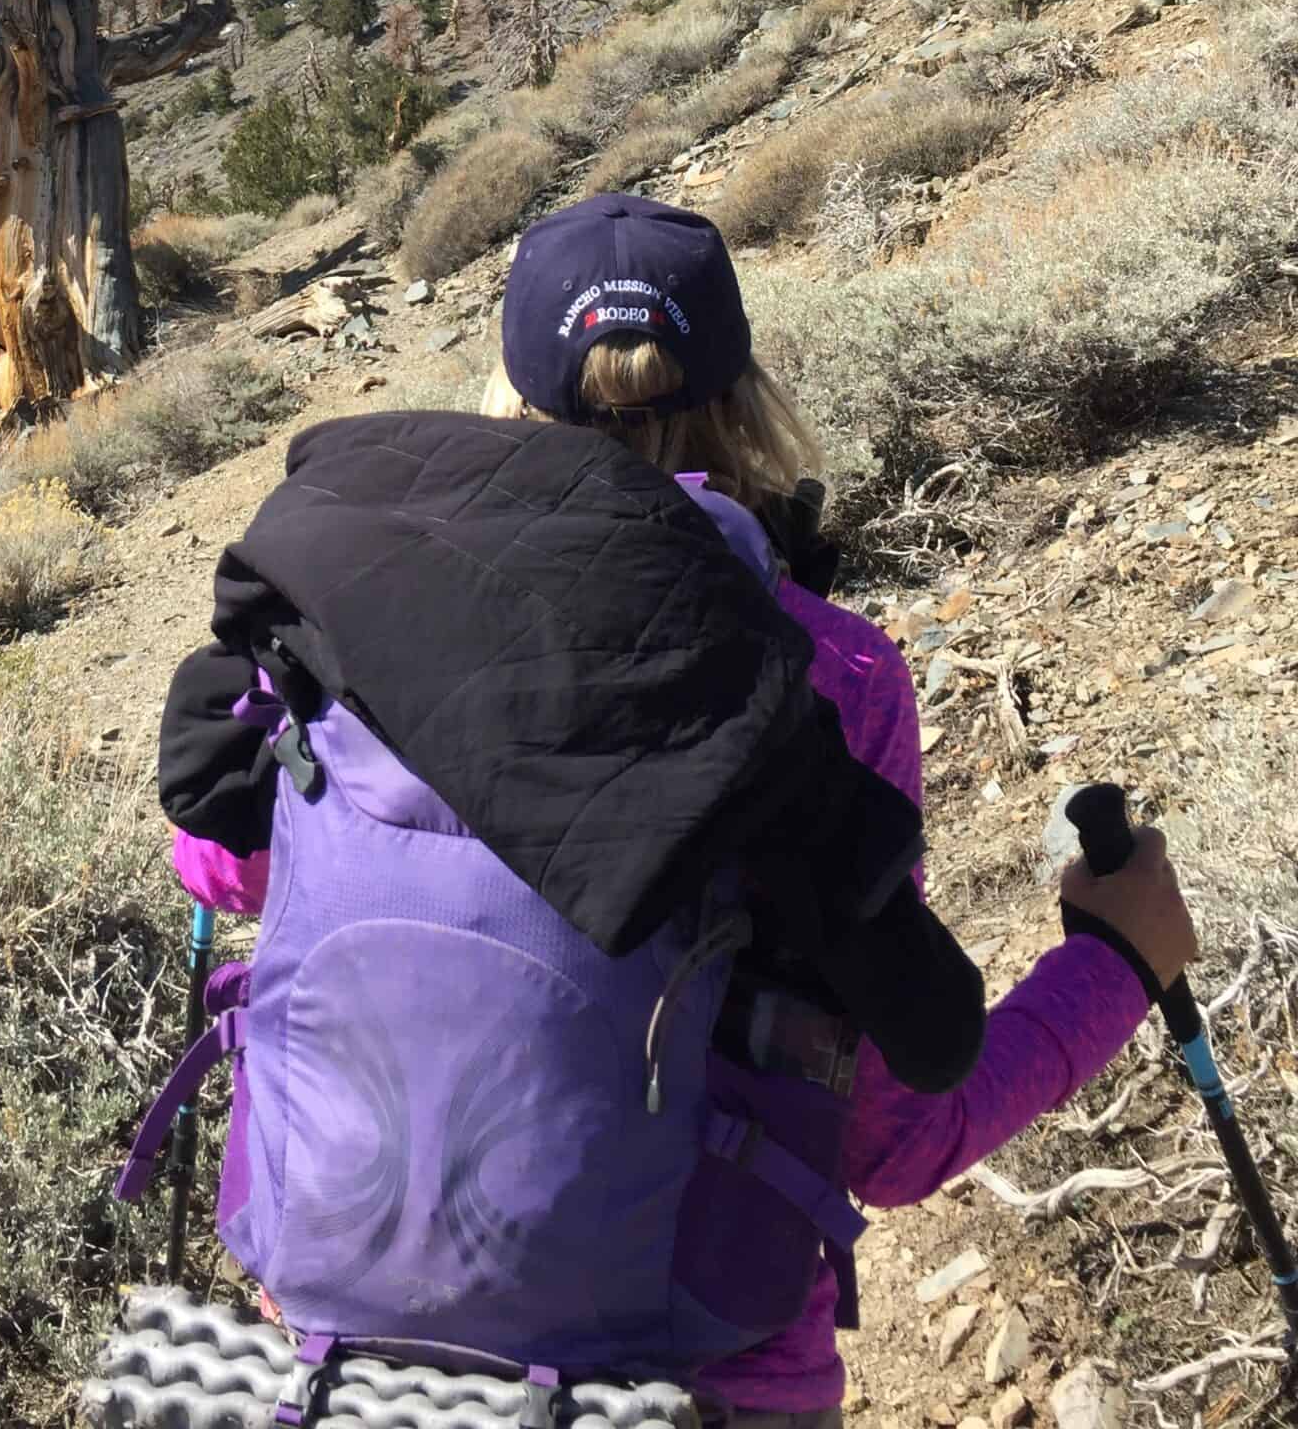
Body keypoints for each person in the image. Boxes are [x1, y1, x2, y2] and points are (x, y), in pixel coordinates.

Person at [155, 196, 1197, 1429]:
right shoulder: (826, 675)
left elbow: (215, 863)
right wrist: (1119, 961)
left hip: (340, 1367)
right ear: (741, 391)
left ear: (513, 392)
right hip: (687, 1385)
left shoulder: (351, 614)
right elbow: (897, 1140)